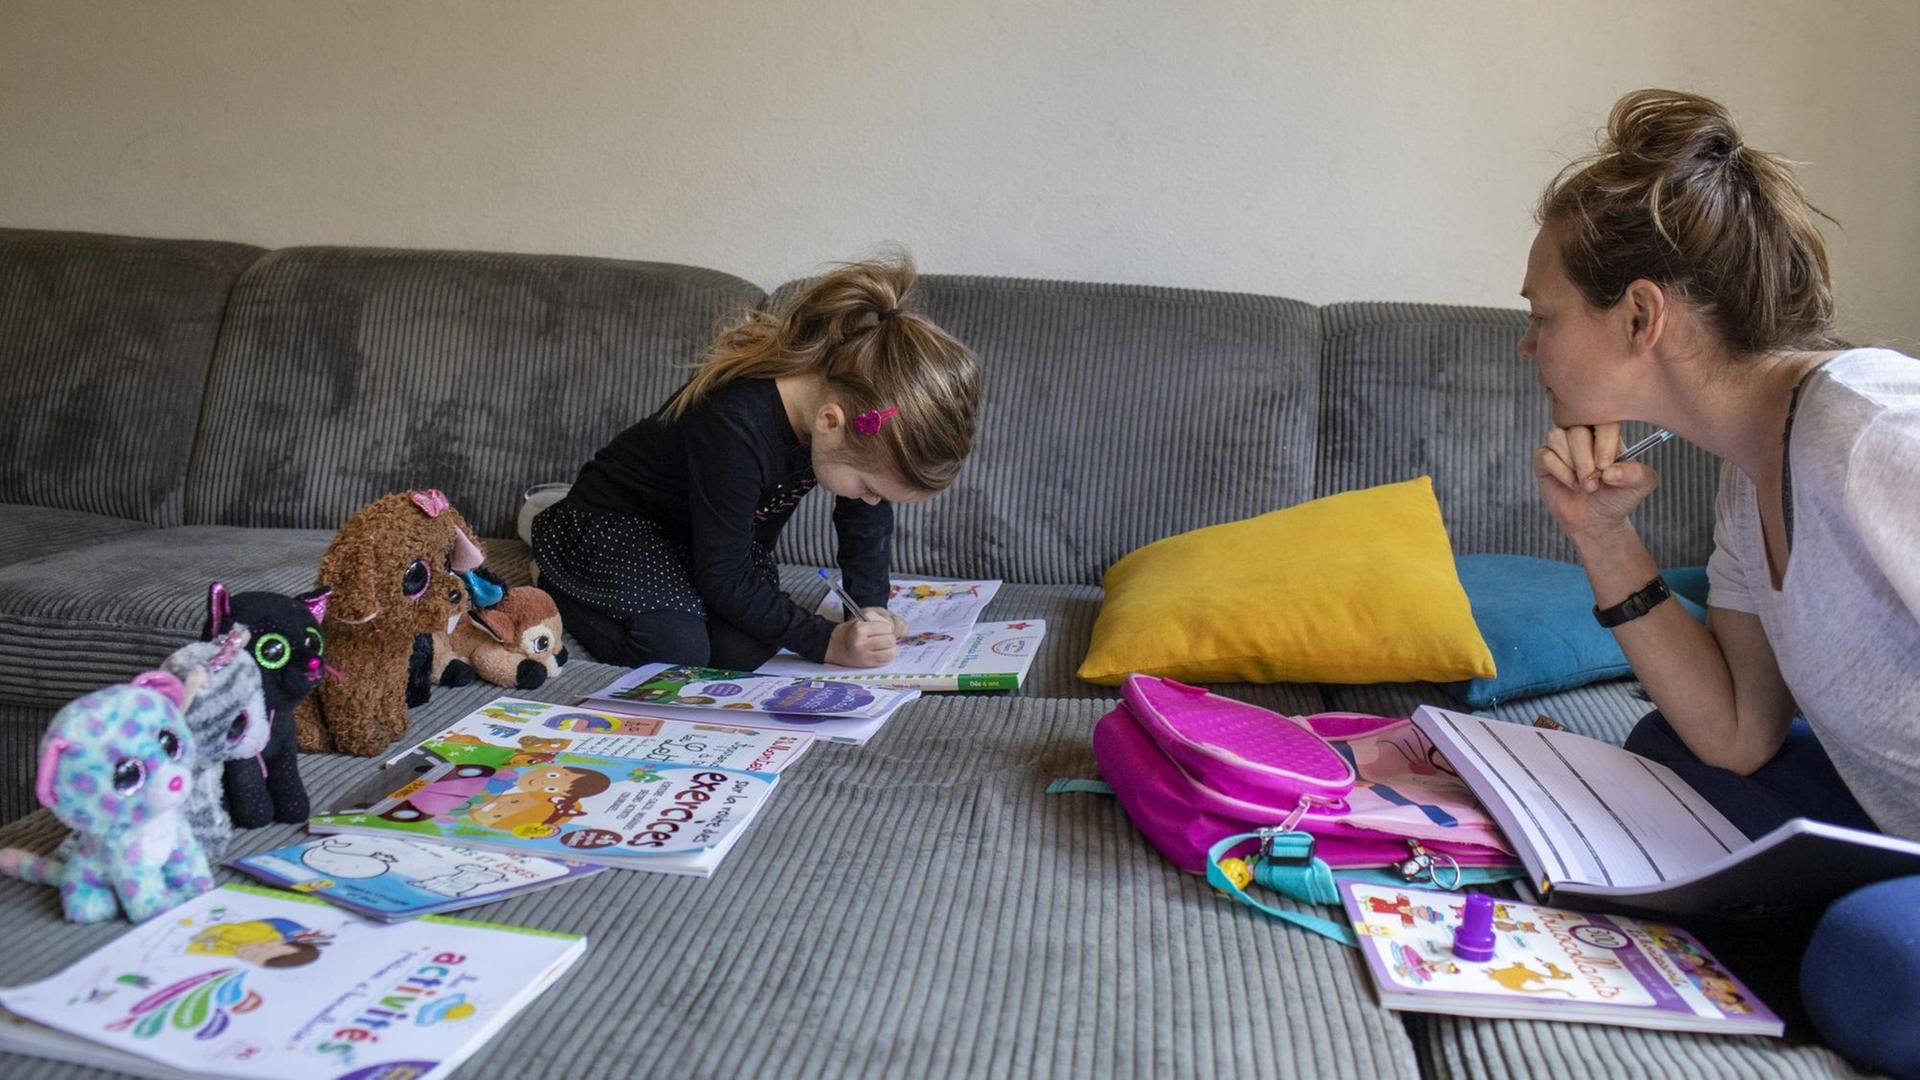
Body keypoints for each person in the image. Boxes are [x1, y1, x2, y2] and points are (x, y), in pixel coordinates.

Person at [1521, 88, 1920, 1075]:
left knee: (1874, 954)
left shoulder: (1873, 430)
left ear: (1641, 315)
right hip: (1895, 823)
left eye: (1543, 314)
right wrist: (1602, 537)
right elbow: (1736, 736)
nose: (1529, 343)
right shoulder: (1753, 478)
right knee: (1660, 756)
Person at [533, 254, 981, 672]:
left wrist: (867, 605)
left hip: (710, 541)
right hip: (620, 527)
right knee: (675, 652)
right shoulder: (734, 421)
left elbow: (864, 518)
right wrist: (827, 642)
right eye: (869, 487)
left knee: (742, 651)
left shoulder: (848, 417)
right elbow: (724, 576)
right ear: (830, 422)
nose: (869, 499)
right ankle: (556, 573)